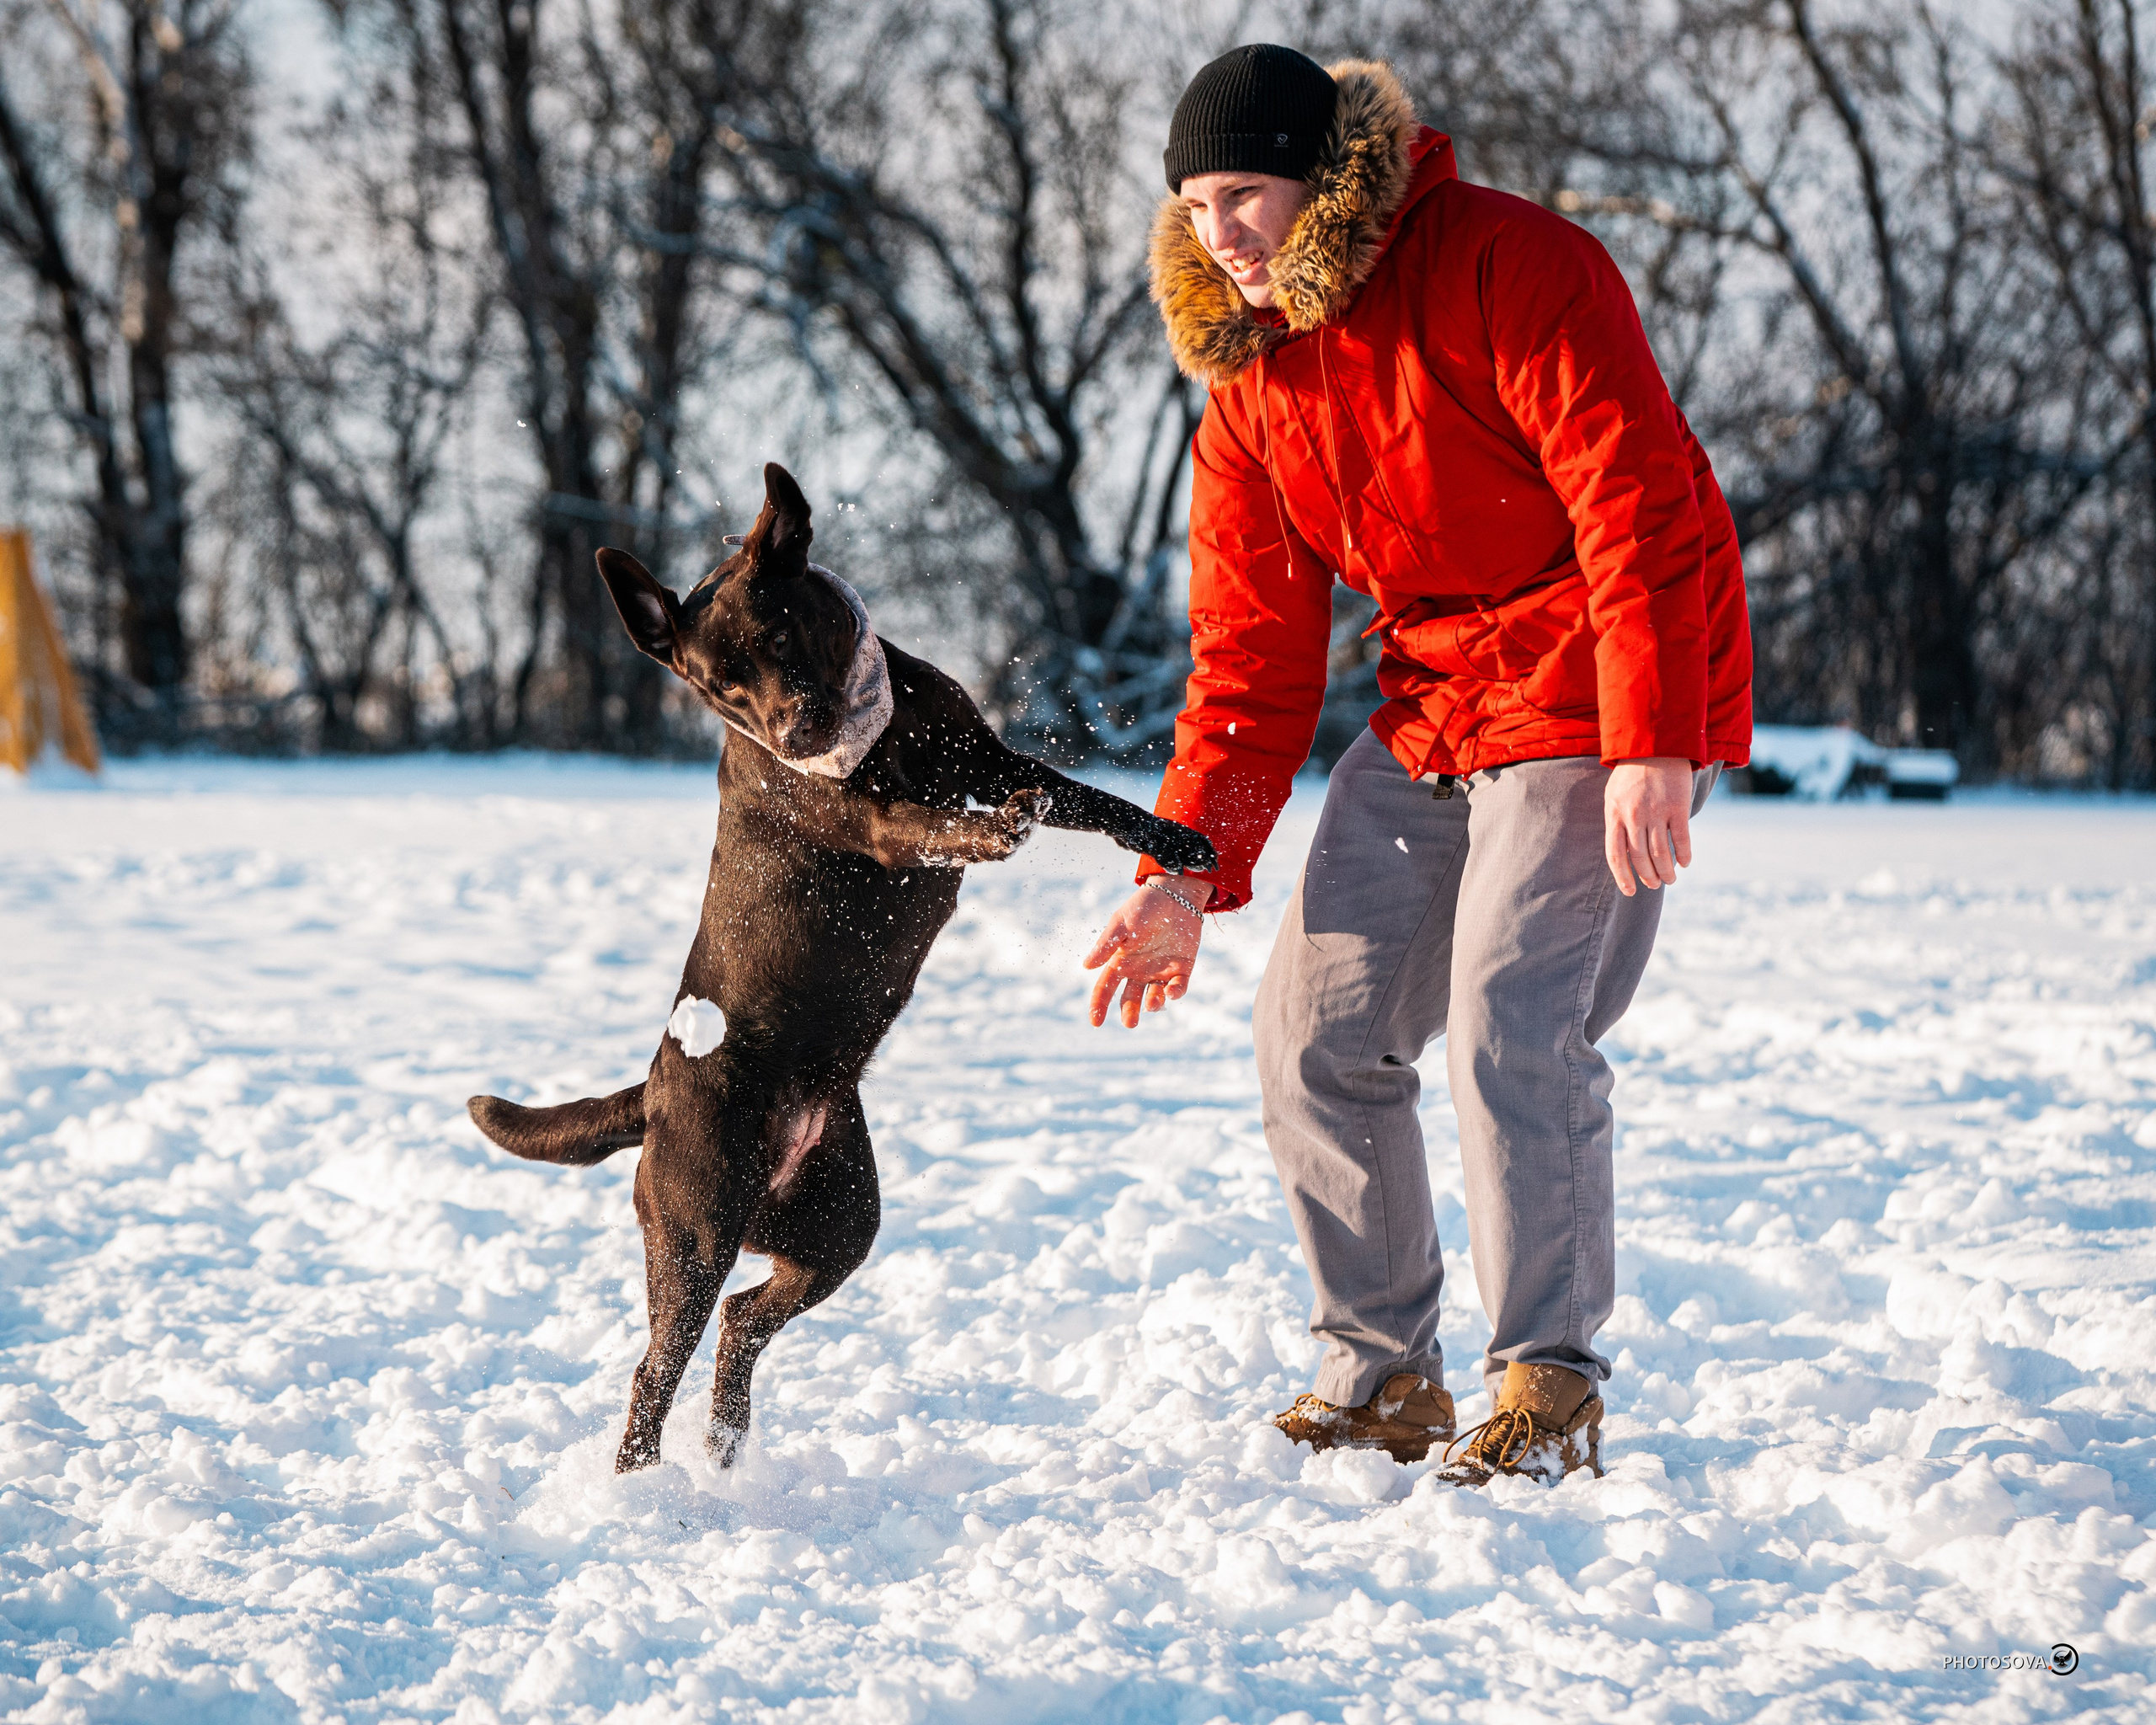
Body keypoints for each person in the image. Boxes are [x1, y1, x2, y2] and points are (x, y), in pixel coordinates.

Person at [1081, 45, 1753, 1487]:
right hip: (1438, 698)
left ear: (1323, 175)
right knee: (1314, 1033)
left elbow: (1634, 507)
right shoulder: (1249, 384)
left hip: (1593, 670)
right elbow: (1249, 663)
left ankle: (1549, 1383)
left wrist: (1655, 740)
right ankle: (1382, 1375)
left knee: (1515, 1017)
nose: (1222, 234)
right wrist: (1183, 872)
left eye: (1246, 193)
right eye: (1195, 206)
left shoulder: (1516, 264)